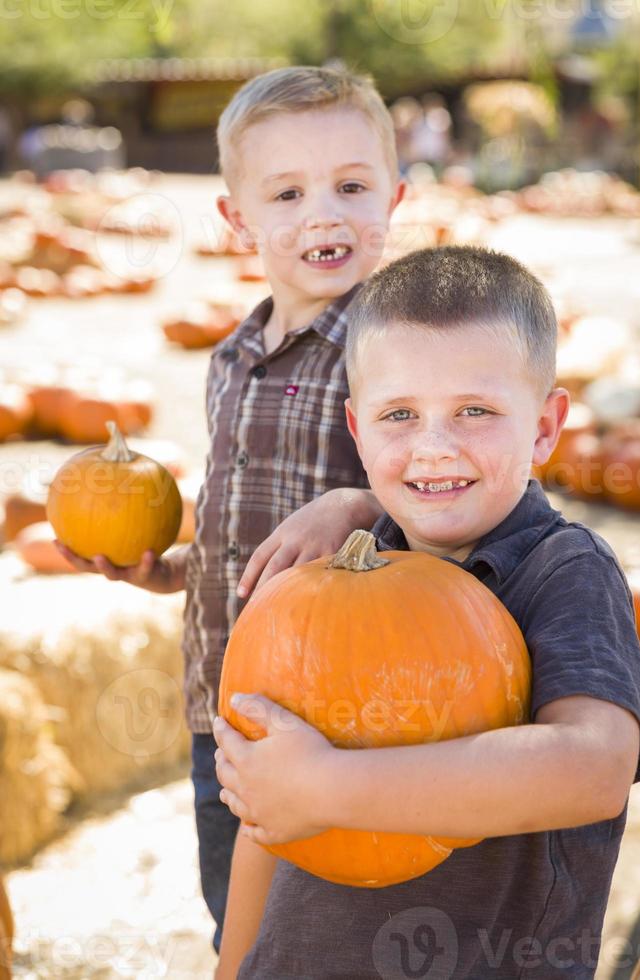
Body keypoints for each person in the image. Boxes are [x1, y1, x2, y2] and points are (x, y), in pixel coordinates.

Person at [212, 245, 640, 979]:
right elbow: (266, 798)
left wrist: (326, 786)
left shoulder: (563, 573)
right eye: (400, 414)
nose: (434, 446)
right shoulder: (321, 585)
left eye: (475, 411)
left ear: (545, 428)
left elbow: (592, 768)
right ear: (358, 431)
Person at [55, 65, 405, 967]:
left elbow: (456, 506)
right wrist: (160, 570)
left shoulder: (401, 350)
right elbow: (229, 531)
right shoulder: (230, 357)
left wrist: (362, 499)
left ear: (396, 198)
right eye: (287, 193)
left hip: (342, 730)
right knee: (242, 934)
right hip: (222, 715)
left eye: (352, 187)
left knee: (341, 936)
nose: (323, 216)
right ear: (237, 221)